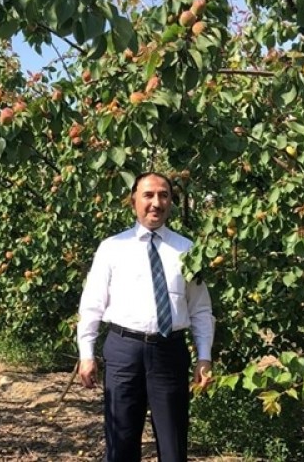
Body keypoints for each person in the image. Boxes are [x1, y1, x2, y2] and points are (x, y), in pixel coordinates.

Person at [77, 171, 214, 462]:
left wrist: (204, 356)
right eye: (148, 195)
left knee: (173, 444)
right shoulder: (112, 248)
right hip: (124, 351)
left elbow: (200, 308)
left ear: (171, 202)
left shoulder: (187, 250)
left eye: (163, 195)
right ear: (133, 201)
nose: (156, 202)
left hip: (169, 352)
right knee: (121, 442)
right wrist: (86, 354)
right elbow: (91, 304)